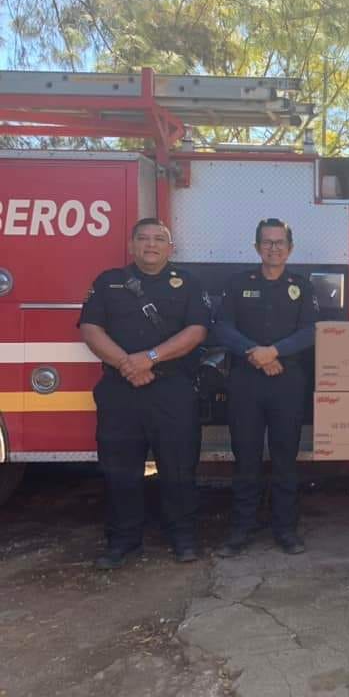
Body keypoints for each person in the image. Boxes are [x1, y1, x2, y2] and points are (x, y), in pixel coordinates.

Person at [78, 218, 209, 569]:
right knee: (120, 468)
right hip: (121, 390)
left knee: (179, 467)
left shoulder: (189, 283)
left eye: (159, 239)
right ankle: (123, 540)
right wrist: (127, 365)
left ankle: (182, 538)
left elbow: (197, 331)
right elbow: (90, 329)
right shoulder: (109, 282)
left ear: (171, 247)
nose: (151, 244)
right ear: (132, 245)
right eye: (144, 238)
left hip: (172, 389)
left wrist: (149, 358)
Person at [214, 218, 320, 557]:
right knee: (245, 457)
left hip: (288, 381)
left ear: (290, 247)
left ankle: (285, 529)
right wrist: (255, 354)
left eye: (279, 242)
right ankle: (241, 529)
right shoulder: (237, 283)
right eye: (267, 242)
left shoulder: (301, 287)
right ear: (256, 246)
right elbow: (222, 328)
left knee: (285, 458)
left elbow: (310, 331)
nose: (273, 248)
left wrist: (274, 352)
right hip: (246, 380)